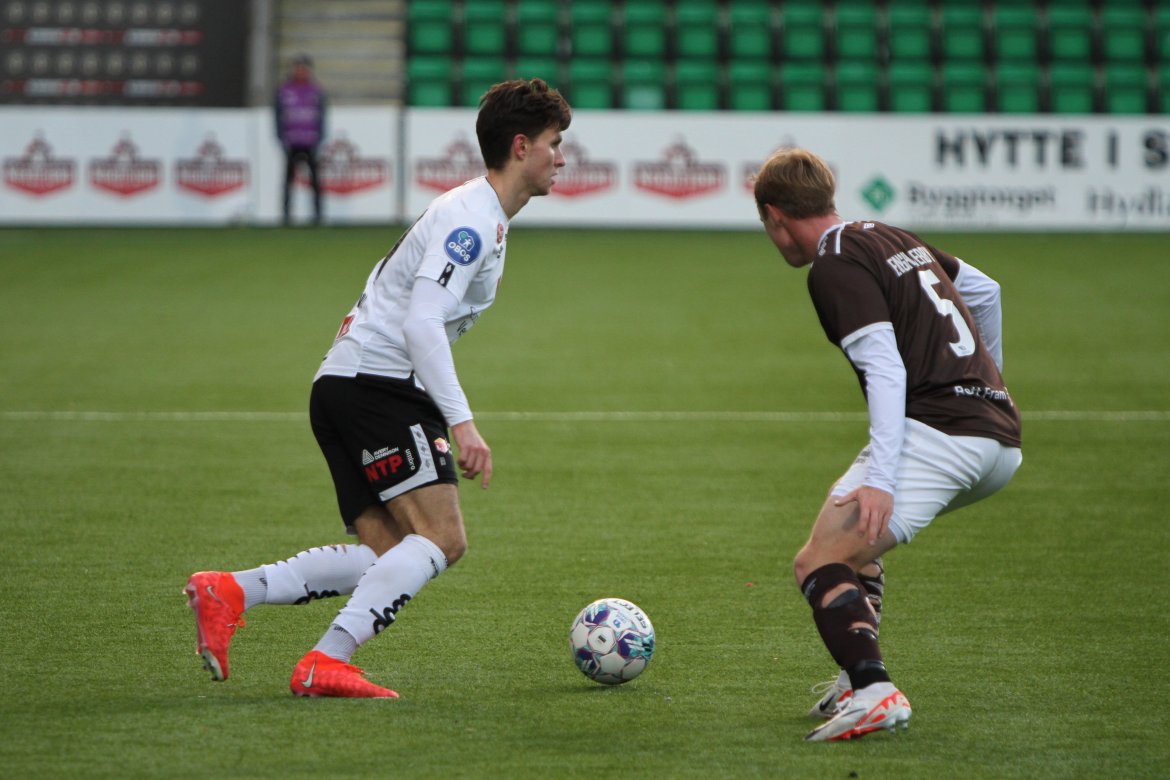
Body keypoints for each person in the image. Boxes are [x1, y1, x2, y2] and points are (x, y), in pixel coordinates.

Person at [186, 78, 571, 698]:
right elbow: (421, 322)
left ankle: (230, 590)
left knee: (389, 557)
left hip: (344, 384)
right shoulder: (471, 220)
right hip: (378, 386)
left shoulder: (481, 215)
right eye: (555, 143)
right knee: (442, 540)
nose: (562, 157)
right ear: (521, 146)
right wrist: (463, 423)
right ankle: (325, 660)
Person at [752, 148, 1022, 742]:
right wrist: (990, 382)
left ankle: (874, 690)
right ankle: (855, 684)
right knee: (846, 541)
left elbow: (884, 367)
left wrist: (881, 475)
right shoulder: (890, 236)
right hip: (995, 436)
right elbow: (986, 291)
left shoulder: (833, 264)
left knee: (817, 562)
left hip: (943, 435)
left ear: (775, 216)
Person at [275, 54, 326, 225]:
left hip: (310, 141)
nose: (301, 71)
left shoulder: (316, 91)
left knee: (315, 180)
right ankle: (286, 216)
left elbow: (322, 116)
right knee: (288, 180)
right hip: (291, 141)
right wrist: (281, 137)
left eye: (304, 68)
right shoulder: (284, 91)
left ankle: (318, 216)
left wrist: (320, 137)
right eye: (298, 68)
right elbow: (278, 116)